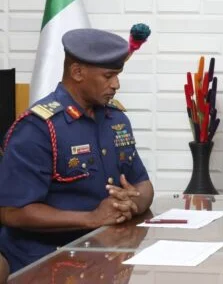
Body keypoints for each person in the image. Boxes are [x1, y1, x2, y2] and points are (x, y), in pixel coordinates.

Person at [0, 28, 154, 274]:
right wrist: (92, 218)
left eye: (117, 75)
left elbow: (143, 184)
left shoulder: (116, 120)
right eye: (108, 76)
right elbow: (12, 212)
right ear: (77, 72)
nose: (116, 84)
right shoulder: (38, 127)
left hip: (106, 256)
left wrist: (131, 203)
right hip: (47, 261)